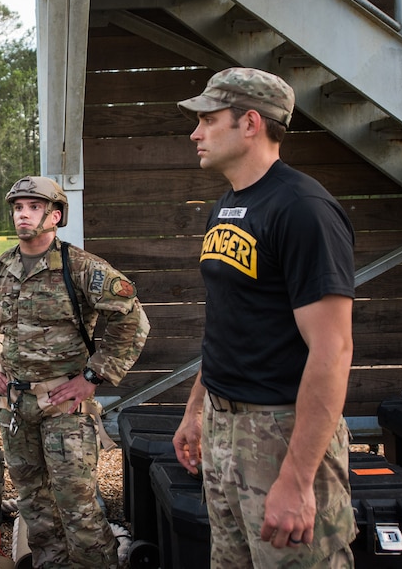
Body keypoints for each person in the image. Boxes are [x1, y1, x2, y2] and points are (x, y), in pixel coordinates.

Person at [171, 67, 357, 568]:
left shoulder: (303, 209)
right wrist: (196, 410)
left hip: (281, 432)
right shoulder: (227, 206)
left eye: (208, 120)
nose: (195, 132)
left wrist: (297, 480)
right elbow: (231, 322)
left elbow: (333, 350)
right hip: (223, 426)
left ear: (250, 123)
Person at [0, 176, 150, 569]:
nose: (22, 214)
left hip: (65, 408)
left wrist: (93, 376)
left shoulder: (81, 268)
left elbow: (133, 319)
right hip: (15, 408)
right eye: (17, 207)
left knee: (77, 505)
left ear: (55, 215)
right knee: (34, 505)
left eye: (33, 206)